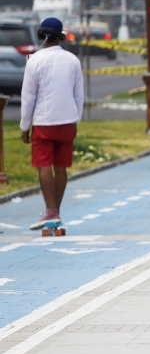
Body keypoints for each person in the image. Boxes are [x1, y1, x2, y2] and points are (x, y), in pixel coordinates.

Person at [20, 18, 83, 230]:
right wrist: (76, 119)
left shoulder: (34, 61)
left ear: (41, 36)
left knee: (44, 165)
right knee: (61, 166)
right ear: (60, 36)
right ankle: (55, 211)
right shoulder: (73, 60)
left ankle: (50, 211)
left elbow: (28, 97)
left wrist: (24, 126)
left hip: (44, 122)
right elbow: (78, 95)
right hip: (67, 121)